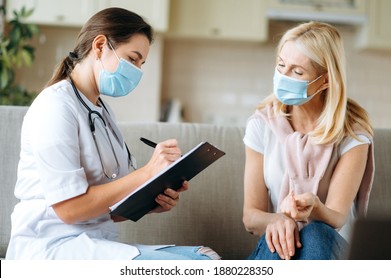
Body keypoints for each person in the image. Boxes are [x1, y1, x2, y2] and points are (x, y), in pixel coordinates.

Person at [6, 7, 220, 260]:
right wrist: (146, 172)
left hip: (95, 244)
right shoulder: (55, 106)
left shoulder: (103, 111)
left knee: (206, 257)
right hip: (52, 248)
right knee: (199, 267)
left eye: (141, 64)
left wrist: (153, 200)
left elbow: (110, 210)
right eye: (132, 59)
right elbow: (70, 209)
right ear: (99, 46)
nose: (137, 71)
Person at [242, 21, 374, 260]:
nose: (283, 77)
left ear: (325, 81)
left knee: (315, 232)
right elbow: (251, 217)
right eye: (281, 65)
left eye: (297, 72)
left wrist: (316, 208)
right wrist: (278, 220)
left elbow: (338, 217)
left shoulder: (352, 132)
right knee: (286, 236)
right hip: (279, 251)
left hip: (330, 249)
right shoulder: (261, 125)